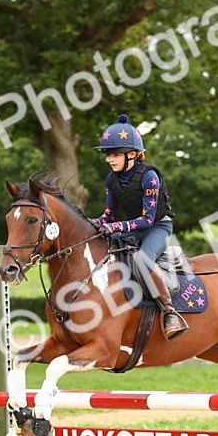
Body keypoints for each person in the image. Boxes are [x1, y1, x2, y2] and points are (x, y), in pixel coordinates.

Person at [91, 114, 188, 340]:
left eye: (115, 154)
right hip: (133, 228)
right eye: (108, 155)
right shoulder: (111, 180)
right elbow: (108, 215)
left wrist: (115, 227)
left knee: (143, 259)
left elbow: (146, 220)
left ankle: (169, 312)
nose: (111, 160)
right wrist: (92, 224)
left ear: (132, 154)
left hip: (158, 227)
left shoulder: (150, 177)